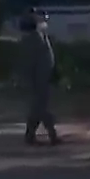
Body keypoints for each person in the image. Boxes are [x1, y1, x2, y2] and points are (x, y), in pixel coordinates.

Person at [18, 10, 61, 145]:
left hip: (41, 77)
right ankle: (52, 135)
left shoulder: (38, 37)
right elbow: (30, 62)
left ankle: (30, 136)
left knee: (37, 109)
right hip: (38, 79)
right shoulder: (34, 39)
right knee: (41, 108)